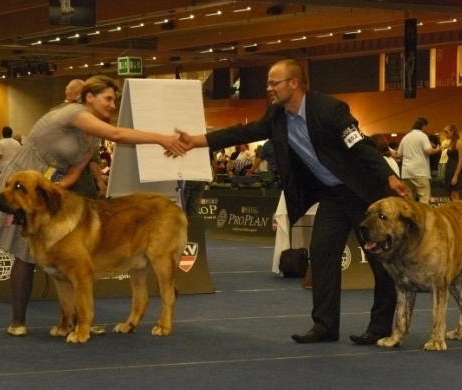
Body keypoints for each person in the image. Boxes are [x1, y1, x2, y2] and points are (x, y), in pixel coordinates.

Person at [174, 59, 407, 345]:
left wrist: (388, 177)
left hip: (364, 195)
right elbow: (242, 132)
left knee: (381, 262)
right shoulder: (276, 115)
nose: (269, 87)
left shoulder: (330, 109)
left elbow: (360, 144)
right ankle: (324, 327)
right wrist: (197, 141)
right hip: (332, 196)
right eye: (269, 82)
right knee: (320, 254)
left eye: (274, 82)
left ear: (294, 83)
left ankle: (381, 328)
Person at [0, 75, 186, 337]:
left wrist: (56, 192)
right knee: (25, 253)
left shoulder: (93, 136)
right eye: (108, 98)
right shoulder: (73, 112)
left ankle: (73, 321)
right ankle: (18, 320)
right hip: (23, 180)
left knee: (60, 260)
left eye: (114, 100)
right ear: (89, 97)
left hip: (50, 188)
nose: (112, 104)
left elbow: (75, 173)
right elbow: (118, 134)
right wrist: (161, 139)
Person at [398, 117, 441, 204]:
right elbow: (429, 151)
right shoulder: (423, 136)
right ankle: (423, 217)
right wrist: (437, 149)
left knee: (409, 200)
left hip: (406, 172)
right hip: (420, 172)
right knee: (424, 198)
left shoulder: (405, 137)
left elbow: (399, 154)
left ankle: (409, 217)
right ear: (423, 127)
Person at [443, 124, 462, 201]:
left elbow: (461, 160)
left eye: (446, 132)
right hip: (450, 168)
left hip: (455, 169)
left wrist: (456, 175)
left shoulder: (459, 143)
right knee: (451, 195)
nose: (445, 134)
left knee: (454, 195)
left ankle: (458, 212)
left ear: (452, 131)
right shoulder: (450, 143)